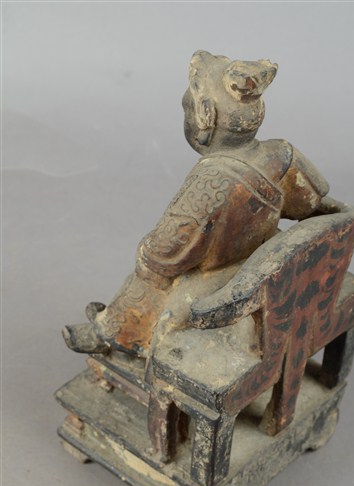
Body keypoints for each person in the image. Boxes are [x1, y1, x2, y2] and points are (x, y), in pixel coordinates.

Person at [63, 50, 329, 357]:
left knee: (149, 272)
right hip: (258, 259)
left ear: (205, 117)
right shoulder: (282, 154)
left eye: (186, 109)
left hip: (220, 280)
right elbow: (312, 201)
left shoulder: (210, 181)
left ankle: (110, 332)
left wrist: (145, 251)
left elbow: (164, 254)